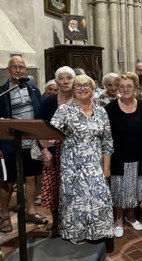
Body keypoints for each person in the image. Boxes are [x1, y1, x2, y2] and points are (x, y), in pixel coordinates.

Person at [49, 74, 114, 244]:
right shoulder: (65, 110)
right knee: (75, 202)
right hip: (72, 166)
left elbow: (107, 141)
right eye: (78, 85)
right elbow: (51, 133)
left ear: (93, 89)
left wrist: (106, 168)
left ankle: (99, 234)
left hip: (95, 164)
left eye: (87, 85)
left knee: (100, 197)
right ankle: (77, 235)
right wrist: (46, 140)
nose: (82, 88)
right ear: (73, 89)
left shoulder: (101, 111)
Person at [0, 56, 46, 234]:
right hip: (10, 143)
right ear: (8, 70)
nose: (18, 70)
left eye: (22, 67)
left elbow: (40, 112)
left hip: (31, 142)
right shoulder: (3, 92)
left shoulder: (33, 89)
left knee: (30, 177)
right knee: (8, 180)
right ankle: (4, 214)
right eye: (15, 67)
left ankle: (30, 211)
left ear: (26, 71)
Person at [105, 72, 142, 238]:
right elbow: (106, 136)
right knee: (118, 189)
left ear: (135, 87)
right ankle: (118, 220)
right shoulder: (110, 109)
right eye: (121, 86)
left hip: (137, 154)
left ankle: (131, 216)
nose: (125, 89)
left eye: (129, 86)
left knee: (134, 188)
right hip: (117, 156)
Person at [39, 66, 76, 237]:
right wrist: (44, 150)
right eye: (61, 78)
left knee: (75, 189)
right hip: (54, 150)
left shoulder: (80, 99)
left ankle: (73, 222)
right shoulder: (49, 102)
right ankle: (56, 223)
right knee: (54, 187)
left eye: (69, 78)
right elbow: (40, 128)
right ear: (56, 81)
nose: (65, 81)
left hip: (76, 152)